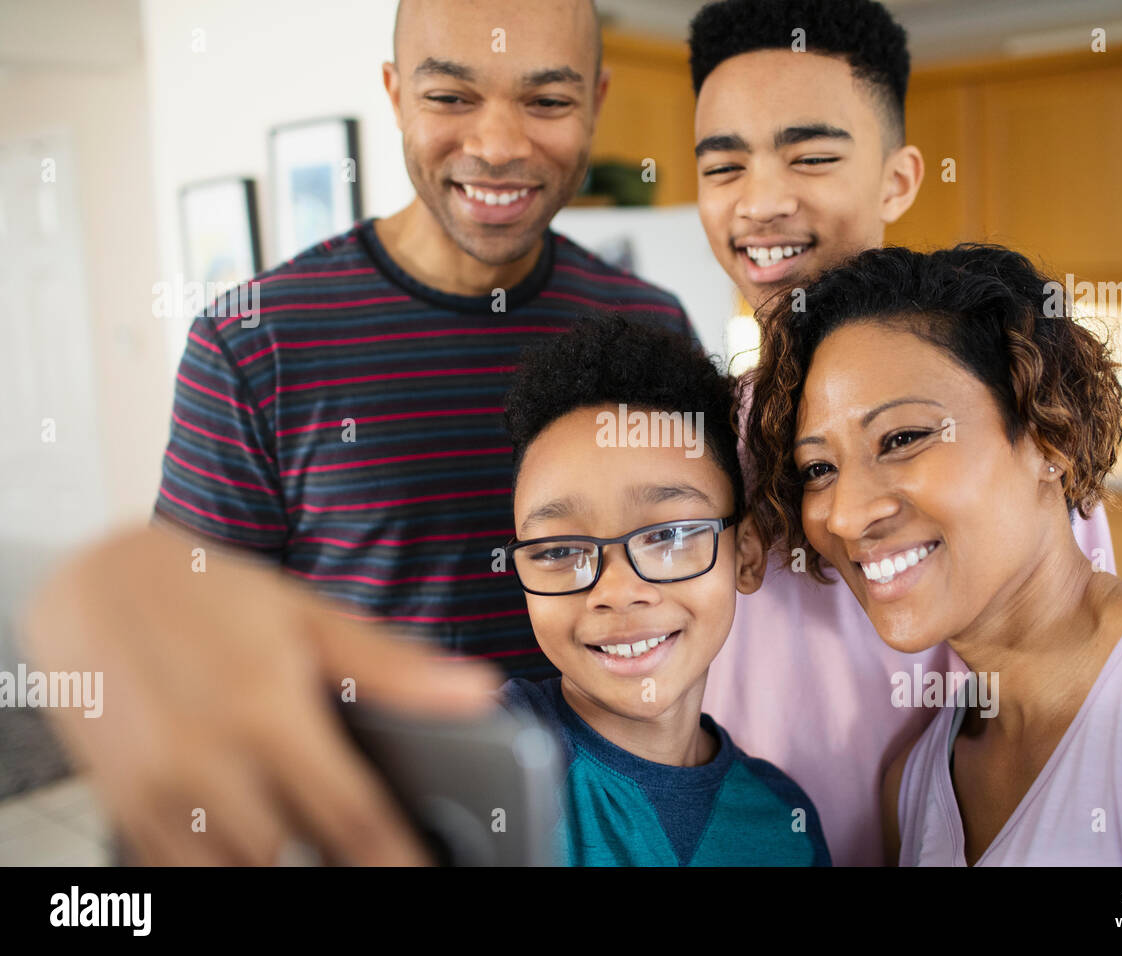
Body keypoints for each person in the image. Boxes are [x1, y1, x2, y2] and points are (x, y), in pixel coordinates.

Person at [20, 0, 692, 865]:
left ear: (597, 100)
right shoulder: (252, 341)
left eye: (547, 102)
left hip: (635, 832)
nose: (497, 144)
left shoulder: (649, 324)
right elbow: (201, 653)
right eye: (450, 98)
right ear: (394, 92)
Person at [687, 0, 1115, 864]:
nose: (762, 202)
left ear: (898, 179)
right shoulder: (693, 444)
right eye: (723, 167)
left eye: (810, 156)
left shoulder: (1005, 430)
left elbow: (1072, 727)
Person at [743, 243, 1122, 866]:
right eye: (818, 468)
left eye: (902, 438)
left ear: (1048, 436)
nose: (845, 515)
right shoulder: (917, 788)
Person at [497, 317, 829, 865]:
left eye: (669, 535)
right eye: (559, 550)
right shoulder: (486, 760)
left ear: (745, 554)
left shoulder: (783, 821)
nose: (618, 591)